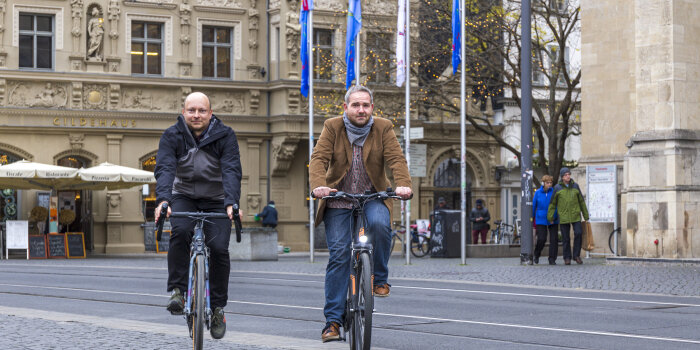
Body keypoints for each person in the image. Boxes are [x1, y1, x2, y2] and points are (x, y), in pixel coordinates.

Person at [309, 85, 412, 343]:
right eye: (355, 105)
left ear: (372, 108)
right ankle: (332, 321)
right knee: (340, 255)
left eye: (365, 105)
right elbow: (319, 158)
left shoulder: (383, 127)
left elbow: (396, 159)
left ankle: (380, 278)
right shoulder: (333, 127)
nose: (361, 110)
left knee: (380, 224)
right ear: (346, 108)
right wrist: (319, 187)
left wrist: (404, 184)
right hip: (339, 198)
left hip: (371, 196)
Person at [154, 92, 242, 339]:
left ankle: (217, 308)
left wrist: (231, 202)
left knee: (220, 248)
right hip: (184, 195)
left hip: (217, 199)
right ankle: (178, 292)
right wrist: (164, 200)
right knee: (180, 231)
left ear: (210, 113)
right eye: (191, 110)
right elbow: (165, 168)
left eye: (201, 110)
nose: (196, 115)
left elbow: (232, 170)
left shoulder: (226, 136)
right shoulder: (172, 135)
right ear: (184, 112)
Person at [547, 167, 589, 265]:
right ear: (562, 177)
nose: (568, 176)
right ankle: (567, 257)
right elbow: (552, 204)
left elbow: (581, 201)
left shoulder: (575, 186)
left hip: (576, 215)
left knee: (578, 233)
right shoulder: (557, 188)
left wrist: (586, 215)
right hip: (564, 216)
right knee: (565, 238)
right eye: (566, 175)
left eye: (569, 174)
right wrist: (550, 217)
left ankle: (576, 255)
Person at [532, 175, 559, 265]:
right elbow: (534, 206)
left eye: (551, 183)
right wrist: (532, 219)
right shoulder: (538, 193)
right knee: (542, 239)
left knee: (554, 239)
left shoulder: (554, 192)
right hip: (541, 218)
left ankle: (552, 258)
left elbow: (556, 205)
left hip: (552, 218)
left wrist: (553, 217)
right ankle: (536, 254)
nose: (549, 184)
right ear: (543, 183)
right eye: (547, 183)